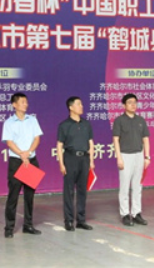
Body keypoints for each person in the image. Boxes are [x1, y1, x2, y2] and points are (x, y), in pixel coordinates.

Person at [2, 92, 43, 238]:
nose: (26, 104)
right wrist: (21, 154)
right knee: (13, 195)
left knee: (29, 195)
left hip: (31, 160)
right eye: (22, 102)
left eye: (26, 102)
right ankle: (9, 227)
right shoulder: (8, 123)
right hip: (16, 161)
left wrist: (28, 152)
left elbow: (37, 139)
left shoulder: (32, 120)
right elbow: (9, 142)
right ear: (14, 105)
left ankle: (28, 225)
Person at [57, 96, 95, 231]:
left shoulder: (86, 124)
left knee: (82, 190)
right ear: (71, 107)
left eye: (81, 104)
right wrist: (61, 164)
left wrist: (91, 161)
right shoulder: (64, 125)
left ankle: (81, 220)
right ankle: (68, 220)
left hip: (84, 159)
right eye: (78, 104)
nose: (81, 106)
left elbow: (91, 143)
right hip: (70, 158)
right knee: (69, 191)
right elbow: (59, 145)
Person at [112, 93, 150, 226]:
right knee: (124, 187)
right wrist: (119, 158)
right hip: (125, 155)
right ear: (124, 105)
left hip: (139, 155)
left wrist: (147, 156)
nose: (133, 105)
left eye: (135, 102)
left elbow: (145, 139)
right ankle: (125, 214)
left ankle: (136, 213)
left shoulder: (141, 120)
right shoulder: (119, 120)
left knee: (137, 186)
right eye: (130, 102)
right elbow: (116, 140)